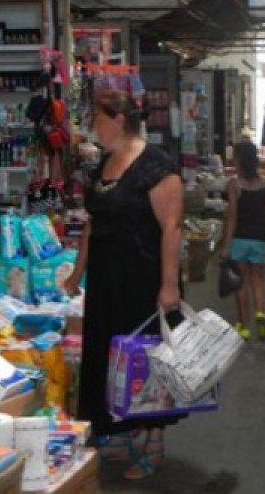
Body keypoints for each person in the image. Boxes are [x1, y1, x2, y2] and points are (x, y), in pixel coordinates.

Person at [61, 90, 183, 480]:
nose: (92, 127)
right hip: (106, 281)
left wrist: (169, 285)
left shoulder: (157, 167)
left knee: (148, 361)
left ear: (118, 120)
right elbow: (92, 225)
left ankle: (154, 442)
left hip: (143, 281)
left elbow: (171, 228)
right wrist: (77, 273)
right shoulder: (103, 164)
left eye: (97, 119)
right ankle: (124, 431)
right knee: (112, 358)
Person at [219, 141, 265, 341]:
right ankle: (260, 315)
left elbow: (232, 217)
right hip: (260, 239)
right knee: (258, 280)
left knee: (241, 284)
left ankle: (244, 327)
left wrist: (226, 245)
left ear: (238, 159)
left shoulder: (235, 184)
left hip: (240, 239)